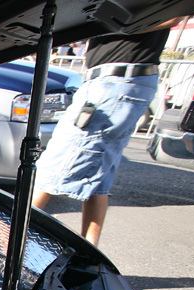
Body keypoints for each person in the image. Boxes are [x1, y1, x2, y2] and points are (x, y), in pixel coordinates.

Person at [32, 21, 182, 245]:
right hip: (121, 81)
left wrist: (123, 24)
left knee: (53, 167)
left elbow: (178, 14)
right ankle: (90, 251)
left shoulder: (141, 13)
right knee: (98, 175)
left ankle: (6, 243)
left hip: (117, 80)